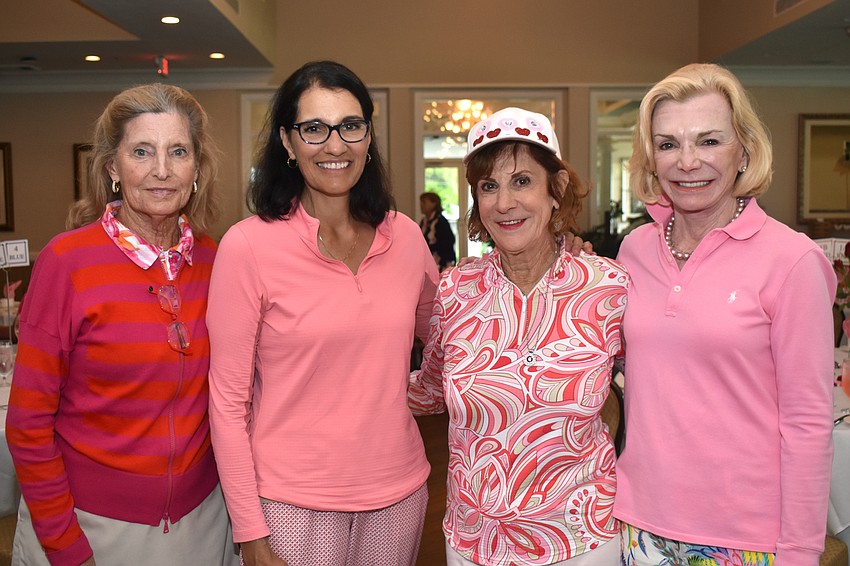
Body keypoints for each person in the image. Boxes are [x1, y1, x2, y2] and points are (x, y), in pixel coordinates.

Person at [205, 60, 439, 566]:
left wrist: (550, 259)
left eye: (350, 126)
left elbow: (450, 342)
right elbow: (226, 404)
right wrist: (250, 531)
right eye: (314, 128)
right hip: (290, 504)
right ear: (287, 143)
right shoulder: (247, 247)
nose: (335, 145)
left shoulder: (405, 236)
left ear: (368, 136)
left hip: (399, 494)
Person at [613, 63, 836, 566]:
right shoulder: (633, 250)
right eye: (668, 144)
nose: (687, 161)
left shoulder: (792, 261)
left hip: (745, 538)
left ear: (745, 151)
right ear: (651, 158)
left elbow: (807, 423)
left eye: (709, 141)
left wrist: (801, 551)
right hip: (638, 525)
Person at [5, 83, 238, 565]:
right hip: (91, 525)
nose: (161, 170)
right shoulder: (67, 263)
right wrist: (66, 545)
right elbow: (28, 424)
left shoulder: (217, 261)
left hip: (204, 520)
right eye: (141, 152)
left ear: (197, 168)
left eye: (178, 152)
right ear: (113, 167)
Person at [409, 107, 628, 566]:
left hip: (582, 537)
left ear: (557, 190)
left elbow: (652, 393)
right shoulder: (455, 290)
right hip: (476, 541)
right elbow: (428, 391)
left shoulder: (609, 288)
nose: (504, 203)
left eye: (522, 181)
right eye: (489, 186)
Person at [419, 191, 457, 271]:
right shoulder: (424, 222)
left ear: (434, 204)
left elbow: (448, 241)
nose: (421, 205)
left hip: (442, 261)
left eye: (424, 202)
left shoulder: (440, 221)